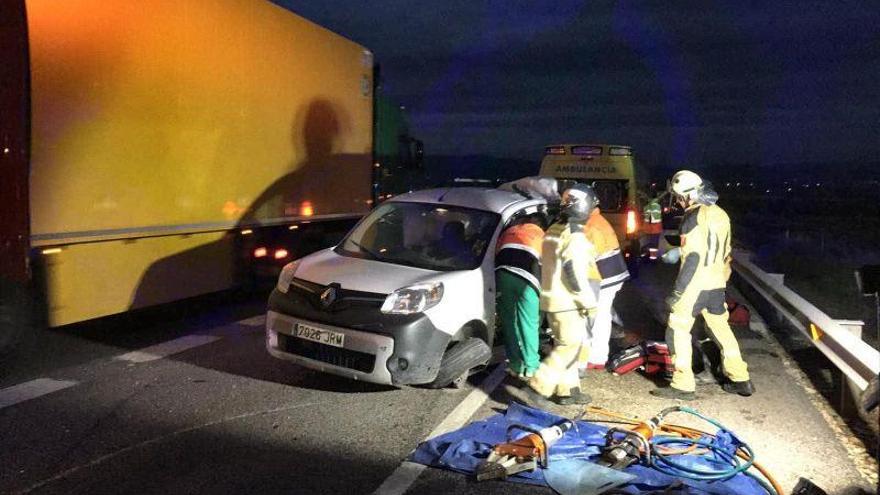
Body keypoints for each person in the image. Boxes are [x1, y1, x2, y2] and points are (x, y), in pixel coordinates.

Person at [650, 170, 754, 400]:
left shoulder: (691, 218)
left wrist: (677, 292)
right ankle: (740, 378)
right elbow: (723, 250)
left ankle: (682, 383)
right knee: (721, 329)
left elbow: (694, 257)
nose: (678, 202)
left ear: (688, 195)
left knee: (676, 329)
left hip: (694, 284)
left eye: (678, 198)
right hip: (717, 282)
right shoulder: (720, 214)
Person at [508, 184, 601, 407]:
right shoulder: (574, 235)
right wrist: (587, 302)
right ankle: (537, 388)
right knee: (569, 347)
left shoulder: (554, 229)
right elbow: (574, 274)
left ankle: (568, 391)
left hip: (551, 298)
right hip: (567, 301)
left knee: (565, 344)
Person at [577, 187, 630, 374]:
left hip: (605, 276)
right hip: (612, 273)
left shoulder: (591, 227)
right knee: (602, 314)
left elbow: (584, 260)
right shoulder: (596, 220)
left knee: (597, 316)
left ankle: (596, 357)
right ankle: (597, 355)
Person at [495, 210, 546, 379]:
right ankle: (531, 366)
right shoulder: (542, 235)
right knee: (529, 322)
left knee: (509, 321)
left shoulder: (510, 231)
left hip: (503, 275)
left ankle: (515, 364)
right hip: (528, 279)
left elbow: (496, 252)